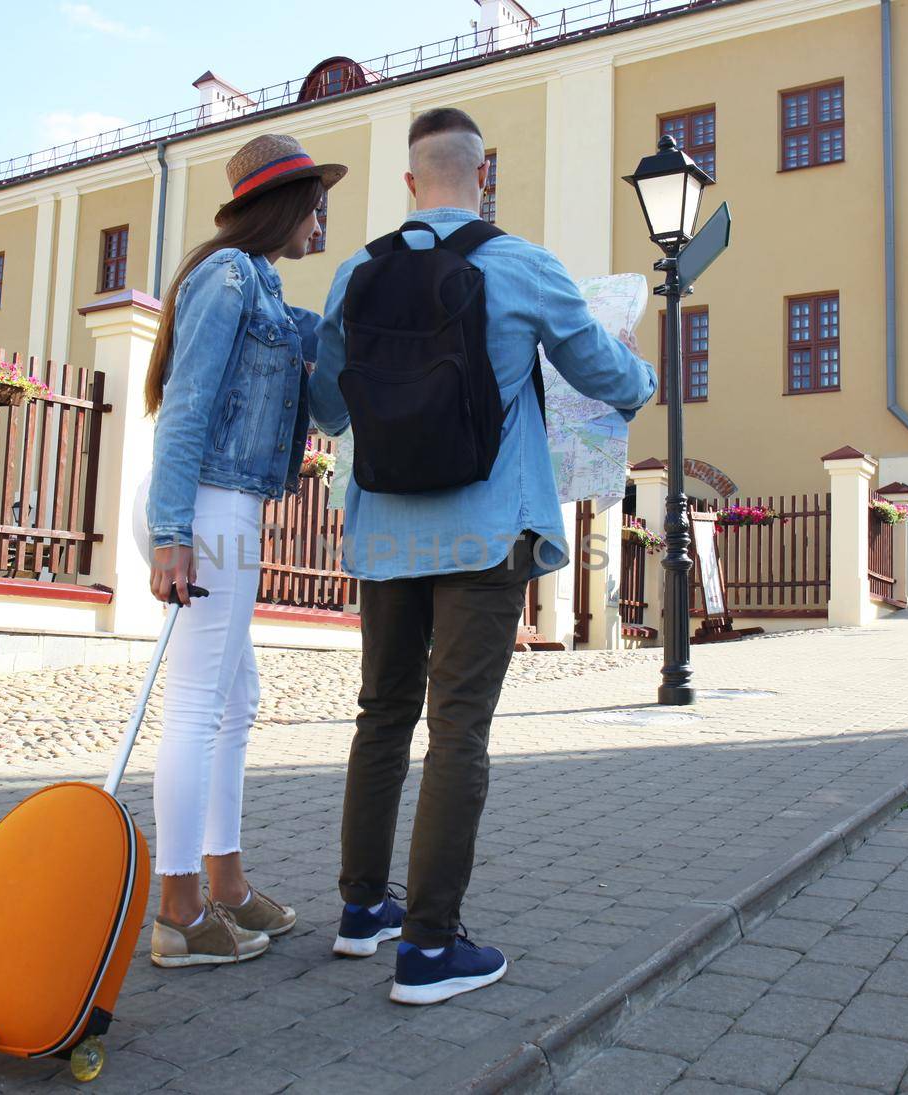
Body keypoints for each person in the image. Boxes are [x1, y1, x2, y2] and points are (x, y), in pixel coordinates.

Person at [308, 108, 654, 1004]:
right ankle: (428, 948)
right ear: (481, 177)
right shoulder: (523, 265)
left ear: (412, 184)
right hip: (485, 529)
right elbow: (608, 377)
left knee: (381, 714)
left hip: (384, 533)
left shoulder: (357, 272)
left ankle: (361, 913)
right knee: (458, 725)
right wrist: (644, 375)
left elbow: (329, 406)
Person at [136, 133, 345, 968]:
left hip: (234, 505)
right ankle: (178, 909)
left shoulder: (272, 297)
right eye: (316, 202)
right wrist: (170, 534)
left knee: (238, 700)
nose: (323, 217)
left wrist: (340, 336)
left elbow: (331, 414)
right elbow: (185, 409)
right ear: (284, 206)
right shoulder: (225, 281)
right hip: (210, 506)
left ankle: (225, 882)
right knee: (196, 705)